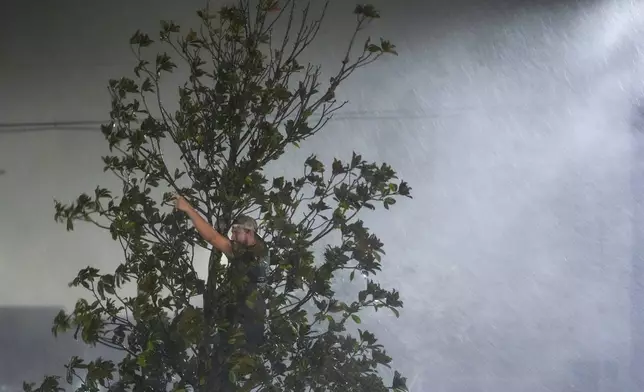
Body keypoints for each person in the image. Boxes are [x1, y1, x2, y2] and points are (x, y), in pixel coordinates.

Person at [173, 194, 268, 352]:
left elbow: (212, 238)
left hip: (245, 315)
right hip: (251, 312)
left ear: (249, 233)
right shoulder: (260, 246)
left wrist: (188, 209)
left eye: (237, 232)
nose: (232, 236)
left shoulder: (247, 252)